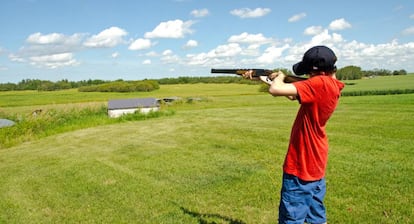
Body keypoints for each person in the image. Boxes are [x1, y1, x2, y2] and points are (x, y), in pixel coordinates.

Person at [244, 45, 345, 224]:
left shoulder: (319, 83)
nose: (306, 76)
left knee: (291, 217)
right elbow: (292, 95)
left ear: (315, 71)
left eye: (308, 72)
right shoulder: (331, 85)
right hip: (315, 161)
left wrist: (280, 77)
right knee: (316, 215)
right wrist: (263, 78)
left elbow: (276, 90)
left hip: (302, 163)